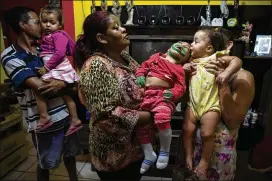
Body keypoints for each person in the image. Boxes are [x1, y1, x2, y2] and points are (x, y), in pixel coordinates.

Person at [1, 6, 80, 181]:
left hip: (66, 114)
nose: (43, 26)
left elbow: (73, 85)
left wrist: (63, 83)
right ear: (23, 25)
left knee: (70, 155)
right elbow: (42, 87)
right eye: (38, 22)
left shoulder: (44, 49)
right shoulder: (10, 56)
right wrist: (65, 83)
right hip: (43, 121)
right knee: (45, 163)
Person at [75, 11, 153, 181]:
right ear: (102, 38)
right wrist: (149, 116)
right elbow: (106, 116)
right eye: (116, 28)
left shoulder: (124, 57)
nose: (124, 29)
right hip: (114, 155)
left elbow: (141, 80)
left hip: (135, 148)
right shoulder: (96, 65)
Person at [173, 28, 255, 181]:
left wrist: (222, 80)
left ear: (228, 45)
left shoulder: (243, 77)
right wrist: (185, 77)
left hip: (216, 158)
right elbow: (185, 99)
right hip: (189, 150)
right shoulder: (196, 63)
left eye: (216, 41)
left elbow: (232, 121)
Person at [135, 41, 190, 174]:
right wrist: (140, 75)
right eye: (180, 43)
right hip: (146, 96)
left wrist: (173, 94)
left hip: (163, 98)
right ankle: (149, 153)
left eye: (187, 49)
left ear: (186, 59)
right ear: (170, 47)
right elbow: (143, 67)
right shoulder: (156, 57)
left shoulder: (179, 69)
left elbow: (181, 87)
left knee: (162, 118)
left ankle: (165, 150)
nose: (183, 46)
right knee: (139, 124)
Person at [34, 5, 82, 136]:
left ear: (60, 24)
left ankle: (44, 116)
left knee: (39, 89)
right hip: (56, 67)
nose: (48, 25)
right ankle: (75, 119)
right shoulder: (50, 36)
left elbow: (60, 53)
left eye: (52, 22)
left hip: (57, 68)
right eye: (44, 22)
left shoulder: (58, 35)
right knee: (66, 95)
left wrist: (46, 68)